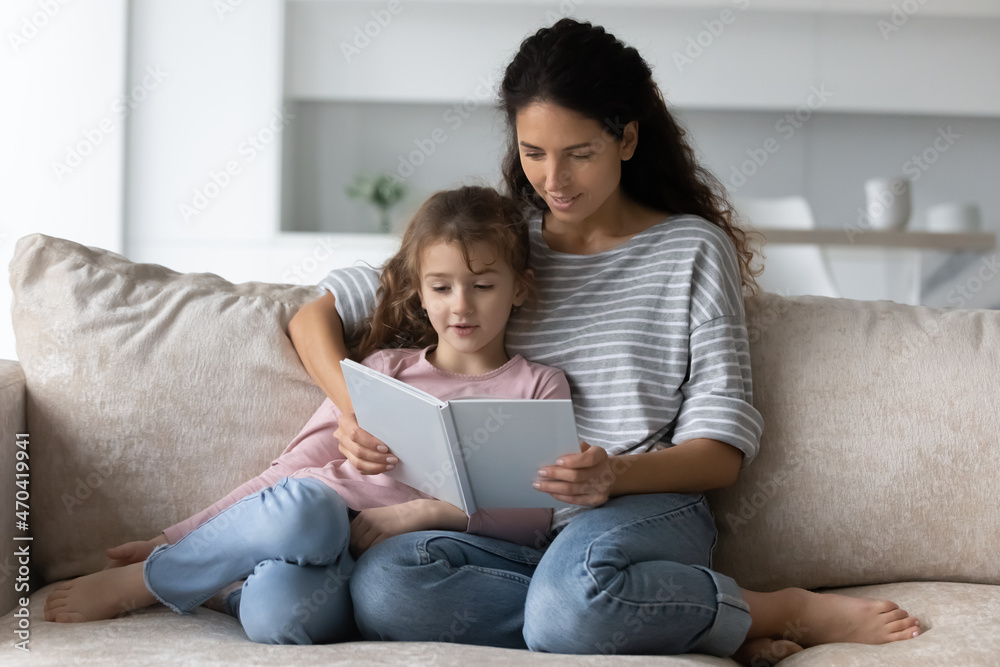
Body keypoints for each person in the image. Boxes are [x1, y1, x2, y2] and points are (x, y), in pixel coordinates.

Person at [287, 19, 921, 665]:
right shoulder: (502, 244)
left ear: (627, 139)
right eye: (533, 153)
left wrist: (613, 474)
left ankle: (779, 606)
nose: (553, 179)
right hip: (512, 524)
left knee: (568, 604)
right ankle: (646, 610)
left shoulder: (690, 251)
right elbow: (315, 315)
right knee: (386, 586)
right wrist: (353, 407)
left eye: (578, 153)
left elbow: (721, 451)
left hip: (641, 505)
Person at [42, 186, 576, 645]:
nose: (461, 306)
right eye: (442, 287)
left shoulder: (538, 385)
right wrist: (171, 538)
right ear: (419, 289)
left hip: (383, 571)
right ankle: (150, 579)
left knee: (277, 617)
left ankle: (224, 586)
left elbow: (532, 520)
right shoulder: (384, 370)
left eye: (483, 286)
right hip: (317, 522)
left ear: (519, 287)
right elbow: (286, 472)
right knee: (307, 505)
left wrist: (428, 513)